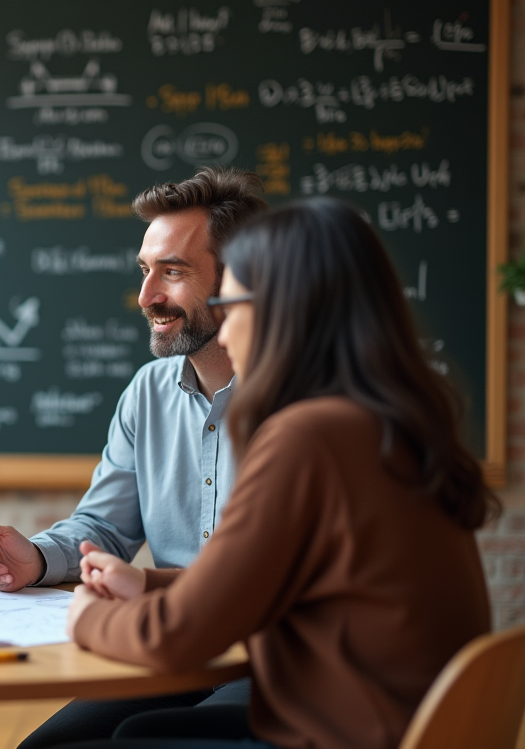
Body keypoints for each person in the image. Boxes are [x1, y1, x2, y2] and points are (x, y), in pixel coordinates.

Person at [62, 197, 498, 749]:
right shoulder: (390, 423)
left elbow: (178, 637)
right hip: (403, 725)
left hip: (341, 731)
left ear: (282, 309)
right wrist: (146, 581)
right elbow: (259, 585)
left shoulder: (308, 435)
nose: (226, 326)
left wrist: (84, 620)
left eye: (233, 302)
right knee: (138, 731)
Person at [0, 167, 267, 747]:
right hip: (174, 645)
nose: (147, 296)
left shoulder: (300, 406)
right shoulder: (148, 393)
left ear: (240, 280)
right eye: (145, 271)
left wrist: (141, 587)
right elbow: (103, 526)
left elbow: (263, 585)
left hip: (272, 653)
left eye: (173, 272)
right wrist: (37, 557)